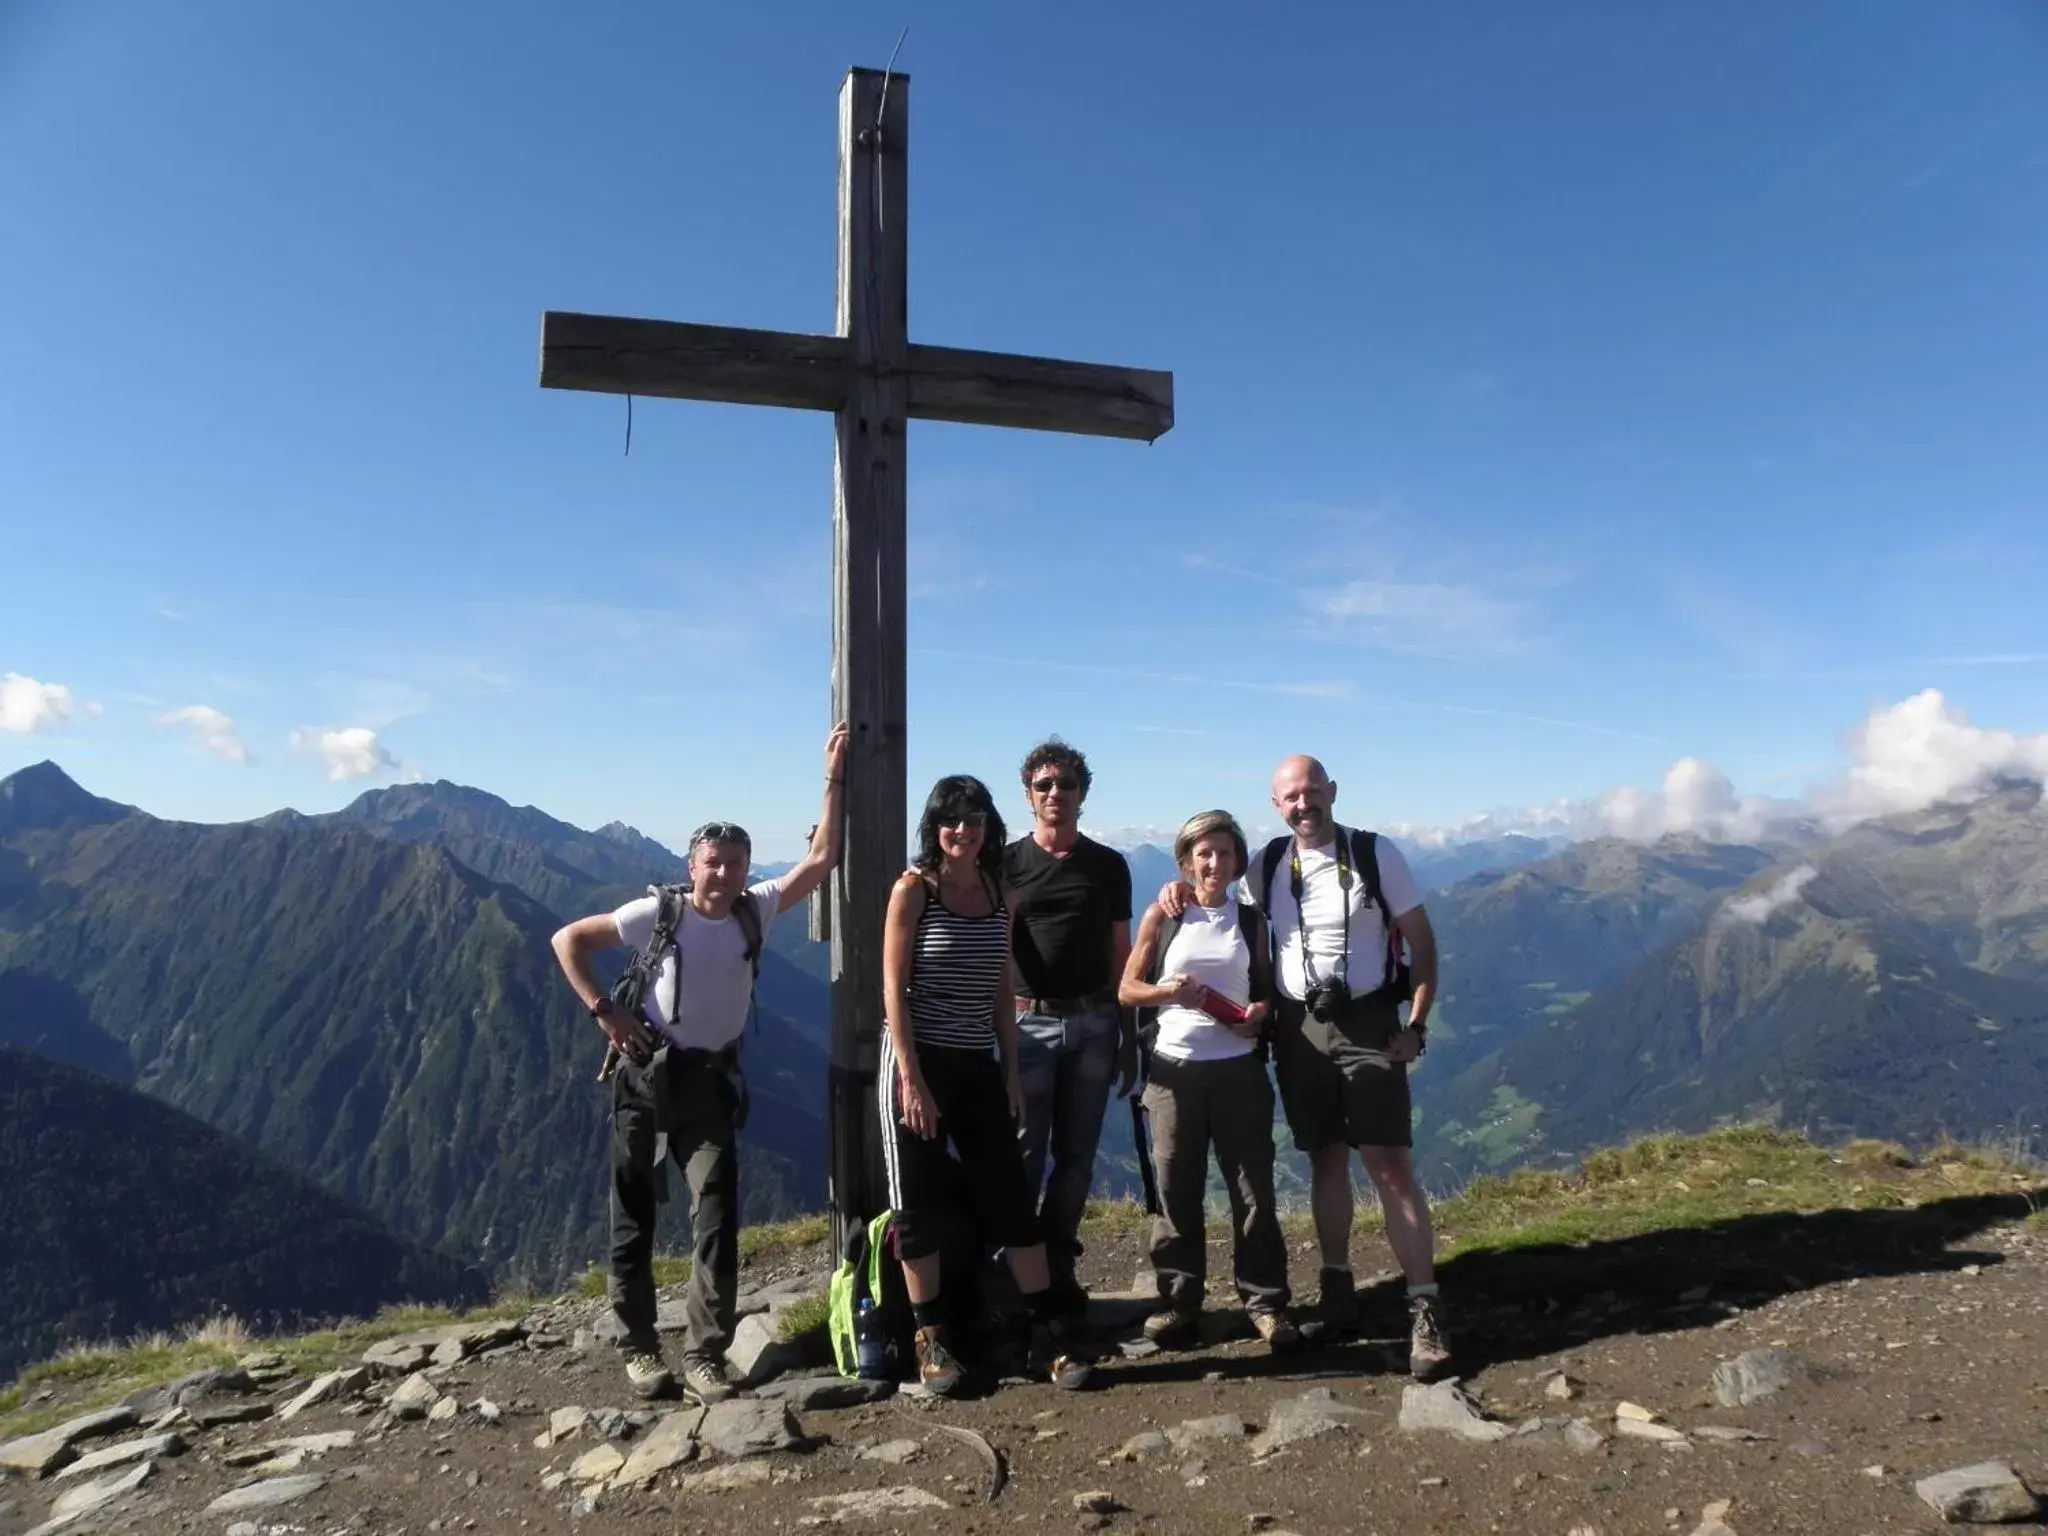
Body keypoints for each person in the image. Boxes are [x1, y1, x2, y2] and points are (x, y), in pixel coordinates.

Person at [550, 724, 848, 1405]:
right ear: (692, 866)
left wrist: (833, 777)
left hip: (711, 1083)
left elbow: (823, 858)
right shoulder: (657, 915)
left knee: (715, 1210)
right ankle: (637, 1346)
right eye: (712, 862)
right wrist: (605, 1011)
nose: (723, 874)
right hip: (647, 1078)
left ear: (747, 869)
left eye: (735, 863)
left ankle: (703, 1353)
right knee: (635, 1217)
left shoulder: (757, 911)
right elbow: (568, 940)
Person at [1161, 755, 1449, 1380]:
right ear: (1276, 805)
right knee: (1325, 1156)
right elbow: (1220, 914)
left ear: (1332, 792)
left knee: (1390, 1164)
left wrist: (1416, 1026)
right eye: (1290, 797)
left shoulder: (1377, 855)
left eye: (1312, 792)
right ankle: (1337, 1282)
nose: (1303, 805)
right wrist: (1175, 891)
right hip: (1296, 1028)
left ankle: (1424, 1307)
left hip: (1371, 1020)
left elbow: (1423, 944)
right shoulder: (1264, 865)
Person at [880, 774, 1092, 1396]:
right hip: (918, 1063)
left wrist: (1010, 1070)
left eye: (972, 820)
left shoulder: (1001, 891)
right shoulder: (913, 890)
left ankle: (1040, 1333)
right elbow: (893, 989)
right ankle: (931, 1337)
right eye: (951, 820)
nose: (962, 831)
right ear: (935, 827)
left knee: (1008, 1196)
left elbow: (1003, 985)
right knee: (915, 1200)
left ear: (987, 827)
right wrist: (911, 1080)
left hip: (977, 1062)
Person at [1119, 810, 1299, 1351]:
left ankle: (1264, 1302)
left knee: (1253, 1193)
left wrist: (1259, 1013)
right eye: (1204, 853)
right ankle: (1178, 1302)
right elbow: (1128, 989)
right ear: (1186, 861)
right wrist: (1170, 994)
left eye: (1223, 853)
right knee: (1176, 1191)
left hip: (1239, 1070)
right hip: (1174, 1072)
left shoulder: (1251, 922)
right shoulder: (1164, 915)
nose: (1214, 862)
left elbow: (1266, 991)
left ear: (1237, 860)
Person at [1004, 738, 1136, 1317]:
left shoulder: (1108, 865)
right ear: (1029, 794)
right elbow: (993, 947)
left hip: (1094, 1020)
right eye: (1044, 784)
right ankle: (1017, 1273)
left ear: (1084, 793)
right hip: (1027, 1025)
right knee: (1025, 1154)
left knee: (1077, 1156)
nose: (1056, 793)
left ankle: (1057, 1266)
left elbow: (1121, 951)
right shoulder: (1005, 865)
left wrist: (1127, 1032)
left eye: (1067, 784)